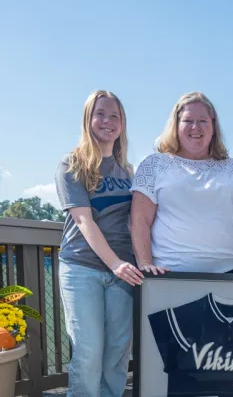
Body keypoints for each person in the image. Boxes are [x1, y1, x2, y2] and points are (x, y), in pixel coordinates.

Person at [55, 90, 143, 397]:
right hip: (82, 268)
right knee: (89, 351)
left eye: (114, 116)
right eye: (100, 114)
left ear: (122, 123)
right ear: (88, 119)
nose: (107, 121)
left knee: (117, 354)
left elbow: (137, 223)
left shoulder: (128, 171)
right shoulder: (72, 164)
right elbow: (84, 221)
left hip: (124, 273)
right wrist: (116, 264)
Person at [130, 91, 233, 274]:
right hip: (170, 274)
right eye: (188, 121)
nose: (195, 127)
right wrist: (145, 265)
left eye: (203, 121)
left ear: (213, 126)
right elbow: (139, 220)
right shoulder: (154, 164)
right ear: (176, 125)